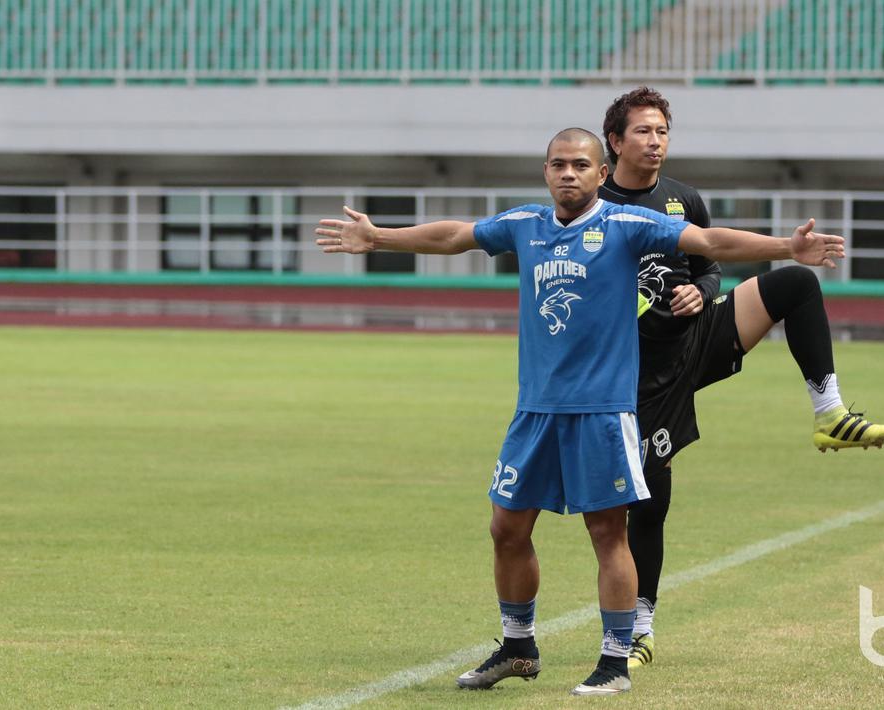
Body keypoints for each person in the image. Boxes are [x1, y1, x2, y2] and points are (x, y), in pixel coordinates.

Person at [314, 128, 846, 697]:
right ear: (545, 172)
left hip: (602, 411)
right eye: (557, 165)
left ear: (600, 174)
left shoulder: (626, 226)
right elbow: (456, 236)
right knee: (506, 528)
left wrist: (786, 250)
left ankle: (615, 661)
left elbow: (711, 241)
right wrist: (379, 238)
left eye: (580, 165)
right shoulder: (525, 225)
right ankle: (519, 648)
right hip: (536, 410)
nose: (568, 174)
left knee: (606, 533)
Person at [598, 87, 884, 669]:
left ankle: (830, 412)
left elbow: (709, 262)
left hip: (697, 340)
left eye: (663, 130)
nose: (656, 141)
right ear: (615, 141)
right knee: (650, 500)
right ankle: (640, 628)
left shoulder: (683, 198)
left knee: (794, 284)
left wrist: (700, 290)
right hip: (638, 373)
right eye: (643, 131)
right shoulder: (595, 203)